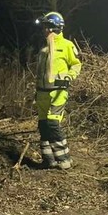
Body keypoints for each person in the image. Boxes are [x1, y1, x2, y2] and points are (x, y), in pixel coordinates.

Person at [34, 11, 82, 169]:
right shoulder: (43, 49)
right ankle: (48, 159)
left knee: (53, 123)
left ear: (55, 27)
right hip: (42, 92)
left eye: (46, 27)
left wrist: (69, 76)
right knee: (43, 125)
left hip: (58, 91)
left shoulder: (67, 45)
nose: (44, 30)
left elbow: (76, 64)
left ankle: (64, 159)